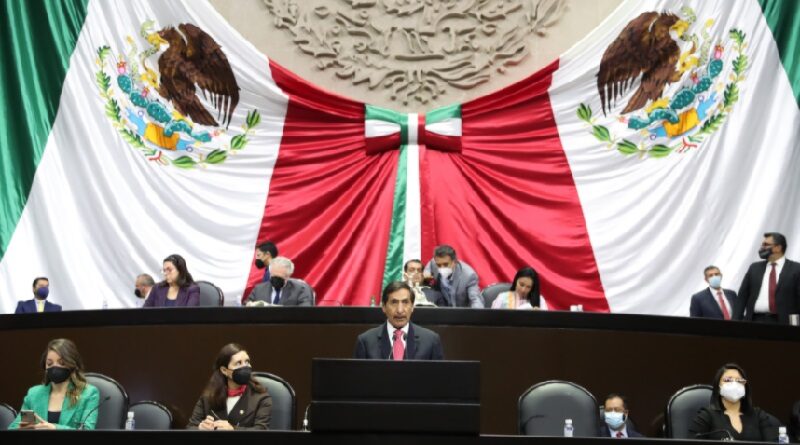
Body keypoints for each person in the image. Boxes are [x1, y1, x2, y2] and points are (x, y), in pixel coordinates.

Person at [9, 338, 100, 430]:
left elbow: (87, 431)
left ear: (72, 364)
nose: (55, 367)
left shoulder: (88, 394)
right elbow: (14, 427)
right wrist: (23, 428)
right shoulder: (34, 395)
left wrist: (54, 428)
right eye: (49, 363)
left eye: (61, 363)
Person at [187, 343, 272, 430]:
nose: (245, 366)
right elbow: (190, 427)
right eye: (238, 363)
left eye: (247, 362)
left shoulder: (261, 398)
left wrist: (233, 430)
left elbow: (261, 430)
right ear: (224, 370)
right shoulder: (208, 398)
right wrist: (200, 428)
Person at [354, 281, 444, 360]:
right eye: (394, 302)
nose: (400, 310)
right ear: (384, 307)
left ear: (412, 307)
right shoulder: (366, 341)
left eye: (405, 302)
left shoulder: (431, 340)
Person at [689, 363, 778, 441]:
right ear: (718, 387)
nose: (734, 384)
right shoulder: (706, 416)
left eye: (739, 380)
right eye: (728, 380)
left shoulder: (758, 415)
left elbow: (771, 442)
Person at [734, 232, 800, 323]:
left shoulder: (796, 269)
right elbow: (742, 297)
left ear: (778, 248)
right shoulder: (754, 268)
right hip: (754, 321)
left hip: (783, 323)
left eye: (766, 244)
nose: (762, 247)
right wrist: (735, 321)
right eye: (762, 245)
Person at [246, 256, 313, 306]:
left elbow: (305, 311)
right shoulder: (259, 289)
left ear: (288, 276)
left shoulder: (301, 289)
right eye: (273, 276)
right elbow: (246, 307)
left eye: (279, 277)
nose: (276, 280)